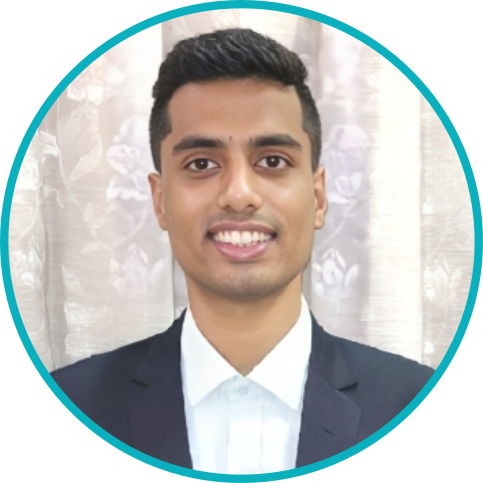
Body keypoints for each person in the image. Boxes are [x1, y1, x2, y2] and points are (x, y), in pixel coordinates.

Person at [51, 28, 434, 474]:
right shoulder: (72, 401)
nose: (238, 195)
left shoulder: (413, 398)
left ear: (318, 198)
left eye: (273, 161)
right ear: (160, 201)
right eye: (201, 164)